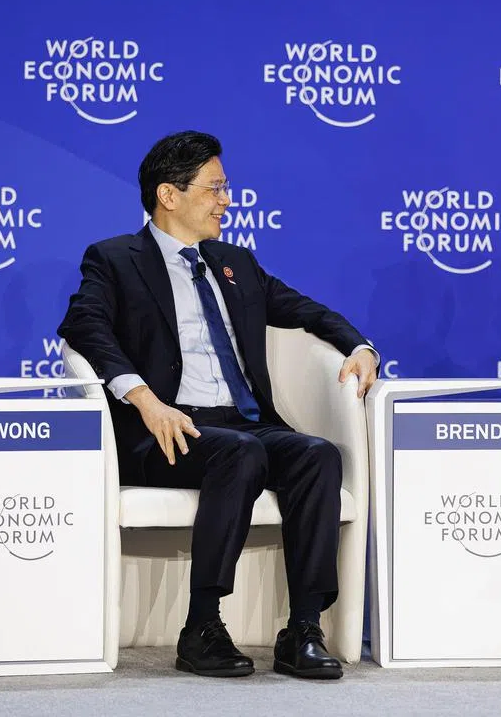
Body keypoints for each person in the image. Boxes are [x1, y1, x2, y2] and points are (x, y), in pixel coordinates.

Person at [59, 131, 378, 680]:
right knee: (238, 455)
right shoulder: (114, 259)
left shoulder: (234, 262)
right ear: (169, 195)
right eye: (215, 189)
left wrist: (360, 347)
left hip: (244, 424)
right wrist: (145, 400)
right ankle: (201, 627)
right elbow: (83, 325)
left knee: (317, 455)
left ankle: (302, 629)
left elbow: (306, 310)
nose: (227, 200)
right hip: (165, 430)